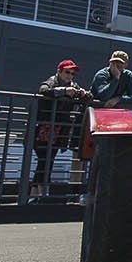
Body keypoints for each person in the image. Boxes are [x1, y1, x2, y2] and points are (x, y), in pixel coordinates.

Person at [32, 60, 90, 200]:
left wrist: (83, 94)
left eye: (72, 73)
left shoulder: (73, 86)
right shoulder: (52, 81)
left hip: (60, 129)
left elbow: (89, 96)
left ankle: (37, 192)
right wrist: (63, 91)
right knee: (44, 160)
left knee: (48, 160)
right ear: (59, 71)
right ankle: (39, 192)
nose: (70, 75)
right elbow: (43, 90)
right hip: (44, 127)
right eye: (67, 72)